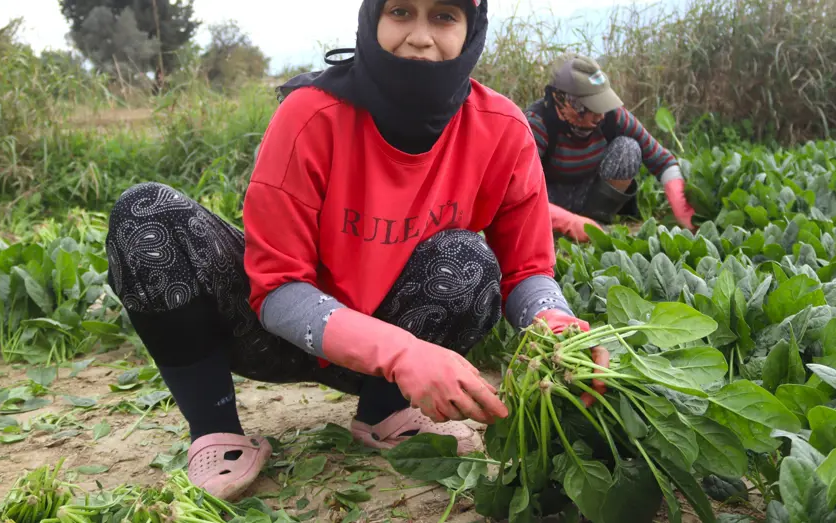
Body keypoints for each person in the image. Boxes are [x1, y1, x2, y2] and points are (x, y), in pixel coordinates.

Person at [104, 0, 608, 502]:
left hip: (390, 344)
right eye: (401, 11)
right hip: (274, 333)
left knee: (469, 261)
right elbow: (278, 286)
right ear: (373, 18)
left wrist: (557, 326)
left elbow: (527, 269)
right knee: (145, 213)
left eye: (443, 16)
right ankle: (216, 431)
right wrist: (402, 352)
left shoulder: (502, 129)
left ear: (471, 28)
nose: (419, 35)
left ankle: (385, 412)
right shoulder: (309, 114)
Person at [524, 53, 697, 241]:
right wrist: (569, 222)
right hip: (550, 200)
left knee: (628, 149)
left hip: (589, 193)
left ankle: (596, 223)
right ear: (562, 100)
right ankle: (562, 231)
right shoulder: (536, 124)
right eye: (590, 108)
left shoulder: (612, 116)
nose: (599, 116)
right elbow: (520, 191)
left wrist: (682, 208)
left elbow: (661, 160)